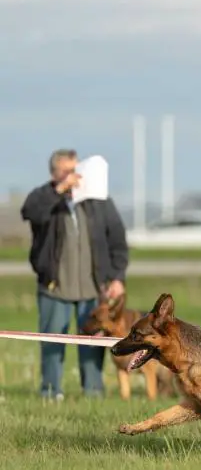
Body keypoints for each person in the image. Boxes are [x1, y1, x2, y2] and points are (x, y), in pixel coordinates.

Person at [20, 148, 129, 400]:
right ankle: (50, 392)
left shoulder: (97, 201)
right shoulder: (45, 198)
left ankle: (93, 391)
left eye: (75, 170)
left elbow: (118, 240)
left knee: (92, 342)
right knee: (52, 340)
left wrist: (117, 277)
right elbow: (30, 211)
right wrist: (58, 190)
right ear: (55, 173)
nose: (74, 176)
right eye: (67, 171)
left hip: (92, 287)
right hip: (54, 287)